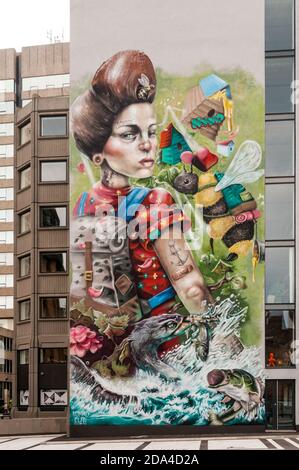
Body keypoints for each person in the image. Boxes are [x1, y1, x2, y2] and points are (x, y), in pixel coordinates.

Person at [71, 50, 212, 354]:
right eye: (129, 134)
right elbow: (188, 282)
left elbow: (79, 286)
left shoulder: (82, 205)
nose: (148, 143)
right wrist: (223, 339)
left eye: (150, 131)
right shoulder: (154, 202)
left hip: (107, 348)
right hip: (162, 345)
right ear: (99, 154)